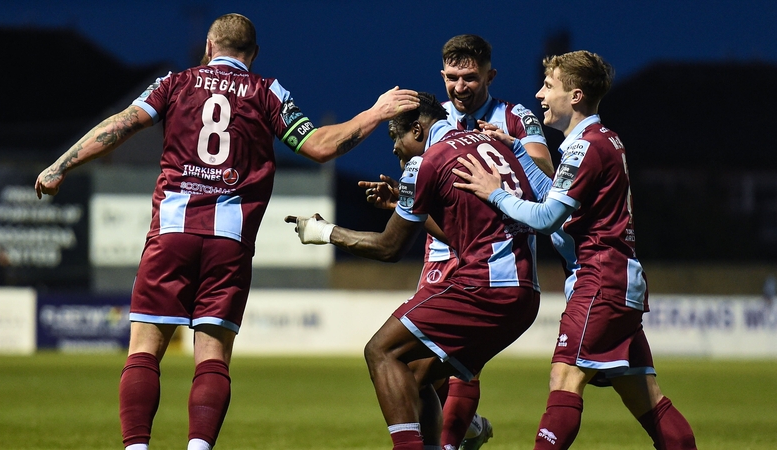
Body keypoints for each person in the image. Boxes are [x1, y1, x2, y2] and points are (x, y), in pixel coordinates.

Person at [34, 13, 419, 450]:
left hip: (172, 232)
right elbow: (320, 147)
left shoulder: (174, 84)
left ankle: (136, 447)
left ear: (209, 47)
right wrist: (374, 112)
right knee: (212, 356)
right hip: (229, 241)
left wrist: (60, 164)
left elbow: (120, 124)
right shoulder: (266, 91)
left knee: (144, 348)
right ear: (253, 55)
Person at [452, 50, 697, 450]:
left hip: (599, 279)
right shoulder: (603, 140)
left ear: (576, 96)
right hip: (620, 279)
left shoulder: (584, 148)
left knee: (564, 380)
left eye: (549, 86)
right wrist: (516, 150)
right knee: (648, 400)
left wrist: (494, 193)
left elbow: (548, 217)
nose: (539, 94)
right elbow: (560, 198)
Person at [286, 92, 541, 450]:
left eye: (395, 136)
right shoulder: (490, 143)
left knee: (380, 351)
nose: (394, 149)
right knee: (416, 375)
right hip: (525, 294)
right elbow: (465, 231)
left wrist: (324, 232)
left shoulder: (427, 164)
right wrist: (402, 203)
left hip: (484, 287)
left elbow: (389, 248)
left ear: (419, 130)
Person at [360, 34, 555, 450]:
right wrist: (401, 198)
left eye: (469, 78)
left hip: (492, 255)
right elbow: (419, 177)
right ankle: (464, 430)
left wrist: (503, 149)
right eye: (452, 78)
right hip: (440, 255)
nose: (460, 87)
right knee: (416, 372)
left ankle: (450, 439)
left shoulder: (514, 117)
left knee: (455, 366)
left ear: (490, 75)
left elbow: (542, 169)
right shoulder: (432, 118)